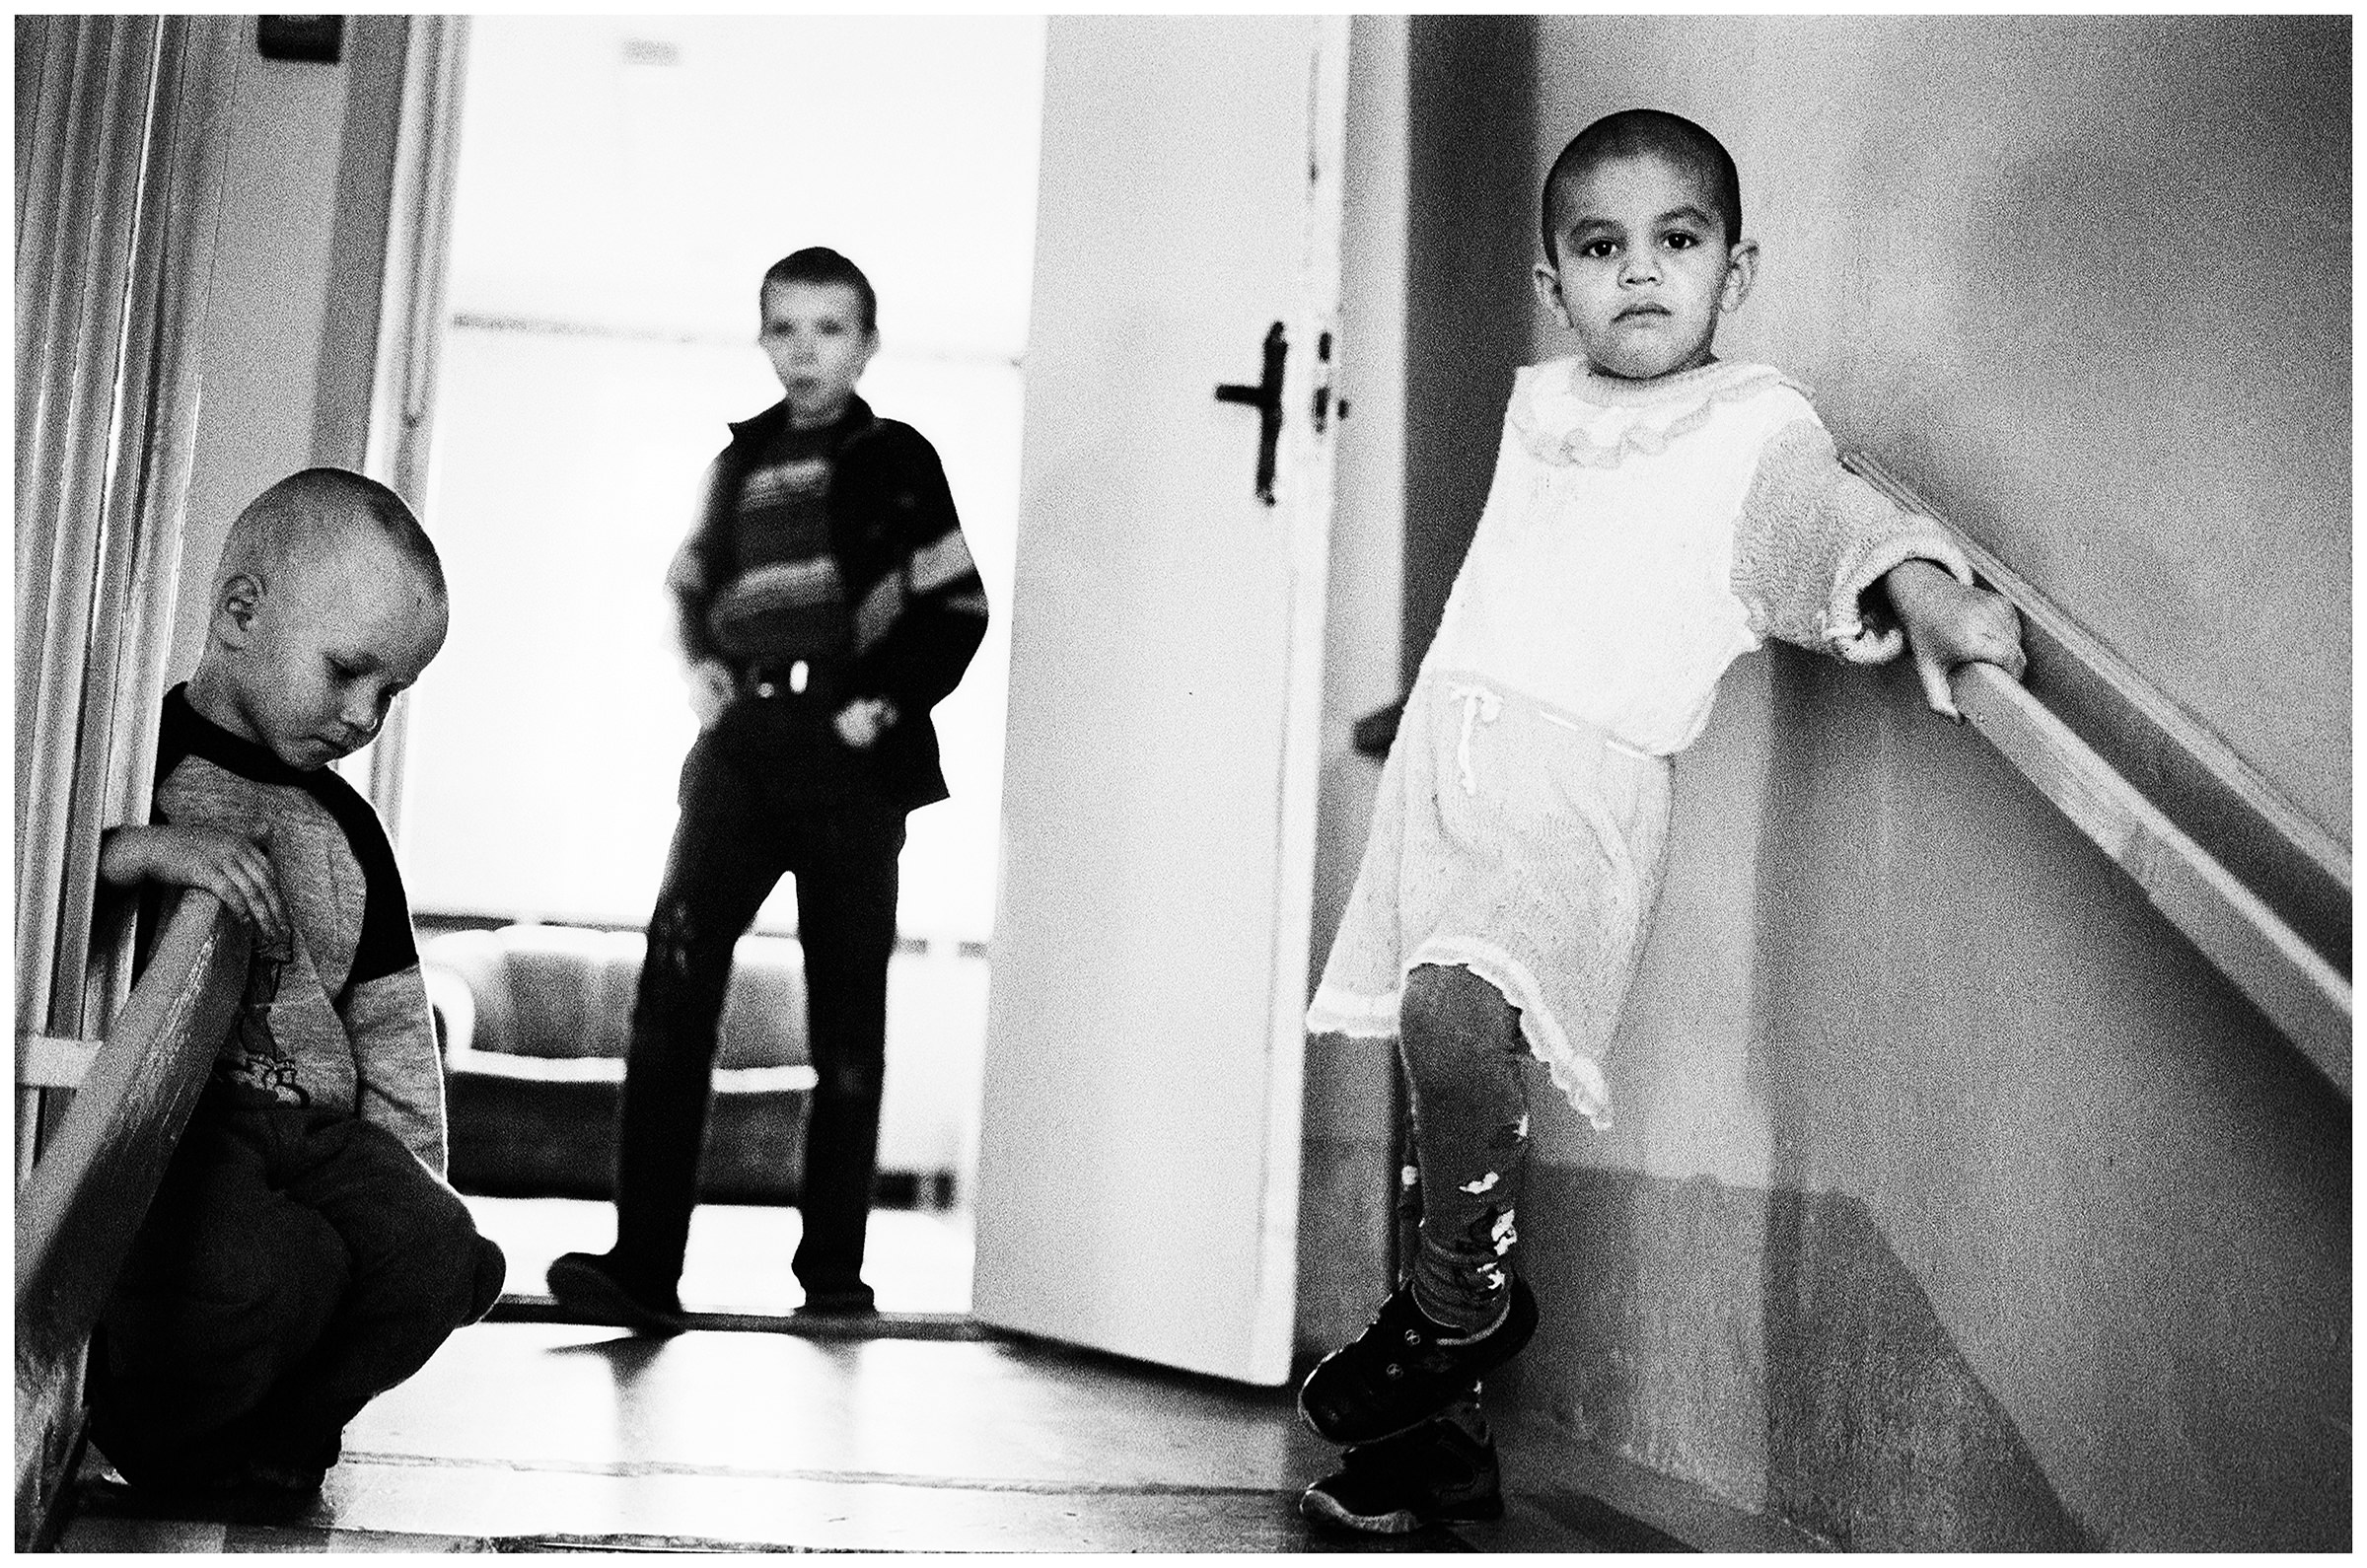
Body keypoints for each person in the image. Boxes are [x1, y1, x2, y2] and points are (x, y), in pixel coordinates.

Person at [1293, 109, 2027, 1534]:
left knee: (1454, 1022)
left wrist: (1929, 594)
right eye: (1600, 246)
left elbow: (1822, 524)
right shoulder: (1542, 401)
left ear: (1732, 271)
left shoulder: (1751, 420)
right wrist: (1423, 704)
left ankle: (1456, 1308)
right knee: (1440, 1109)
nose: (1639, 273)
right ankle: (1435, 1455)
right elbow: (1527, 580)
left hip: (1578, 794)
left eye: (1676, 242)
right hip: (1457, 770)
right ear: (1550, 276)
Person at [546, 247, 988, 1332]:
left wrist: (881, 703)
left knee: (847, 1018)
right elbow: (689, 582)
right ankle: (644, 1264)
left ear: (868, 343)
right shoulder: (737, 464)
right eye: (784, 328)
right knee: (674, 985)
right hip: (741, 751)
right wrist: (695, 660)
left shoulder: (896, 458)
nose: (805, 350)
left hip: (850, 755)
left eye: (829, 328)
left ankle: (832, 1277)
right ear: (761, 339)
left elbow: (956, 607)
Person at [88, 467, 506, 1523]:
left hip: (316, 1134)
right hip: (180, 1127)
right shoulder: (129, 765)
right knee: (269, 1272)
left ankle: (288, 1428)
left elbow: (391, 1020)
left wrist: (413, 1184)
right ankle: (165, 1434)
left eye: (393, 693)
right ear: (240, 612)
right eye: (349, 672)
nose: (365, 714)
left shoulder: (349, 834)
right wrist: (134, 850)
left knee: (440, 1251)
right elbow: (38, 887)